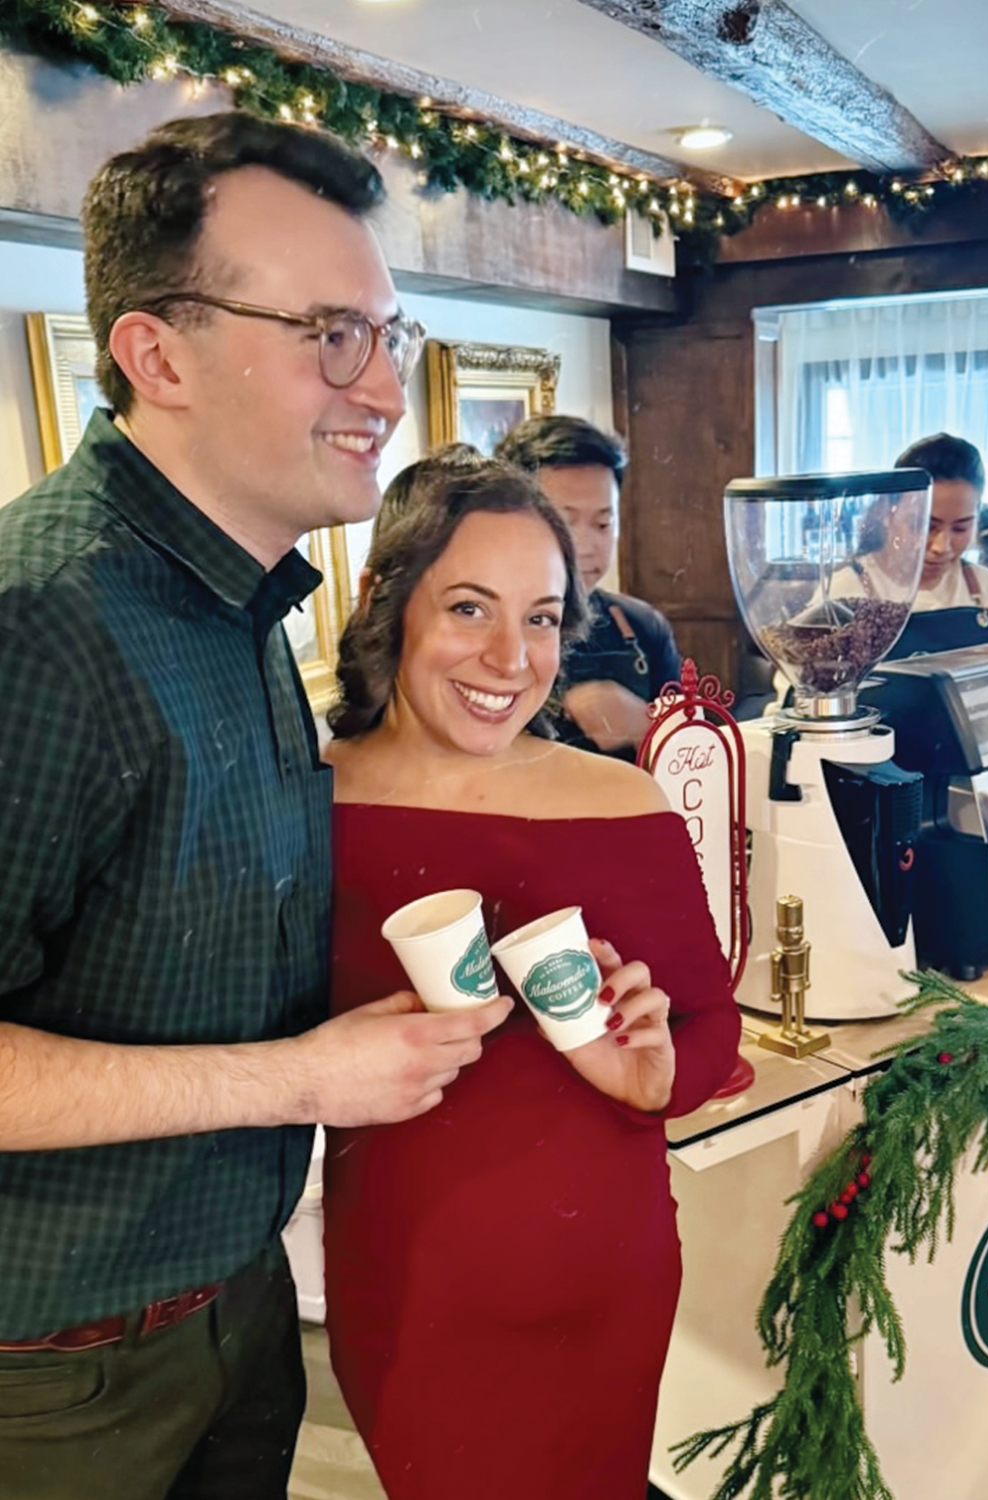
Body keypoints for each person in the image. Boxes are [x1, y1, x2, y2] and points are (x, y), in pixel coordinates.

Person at [0, 113, 510, 1500]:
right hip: (55, 1375)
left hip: (236, 1307)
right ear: (155, 356)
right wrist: (301, 1077)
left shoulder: (245, 600)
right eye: (329, 334)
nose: (386, 390)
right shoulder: (42, 621)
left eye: (388, 336)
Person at [321, 456, 742, 1500]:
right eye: (470, 607)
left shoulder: (622, 803)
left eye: (544, 619)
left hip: (604, 1267)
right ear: (385, 600)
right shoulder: (303, 800)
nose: (512, 658)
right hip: (409, 1278)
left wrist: (655, 1074)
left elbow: (711, 1030)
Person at [496, 414, 682, 758]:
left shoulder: (642, 627)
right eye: (565, 522)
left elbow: (698, 761)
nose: (585, 545)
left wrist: (644, 725)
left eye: (602, 523)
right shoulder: (487, 635)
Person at [882, 432, 988, 657]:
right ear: (889, 513)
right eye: (924, 526)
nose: (942, 547)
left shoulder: (986, 588)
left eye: (960, 528)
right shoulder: (846, 593)